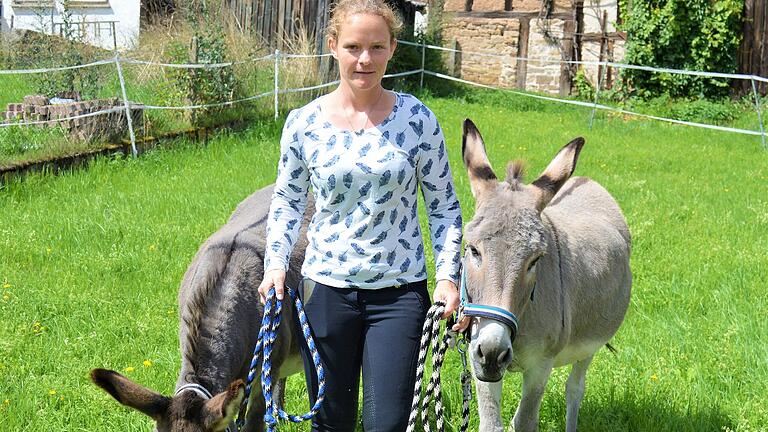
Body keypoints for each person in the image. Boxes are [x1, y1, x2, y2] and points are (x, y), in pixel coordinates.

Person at [259, 0, 465, 430]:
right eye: (353, 46)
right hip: (326, 291)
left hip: (399, 294)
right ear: (333, 46)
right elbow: (288, 202)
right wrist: (275, 264)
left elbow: (444, 206)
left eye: (376, 46)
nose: (364, 59)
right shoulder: (303, 124)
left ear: (392, 47)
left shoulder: (418, 120)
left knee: (387, 424)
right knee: (330, 423)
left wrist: (448, 277)